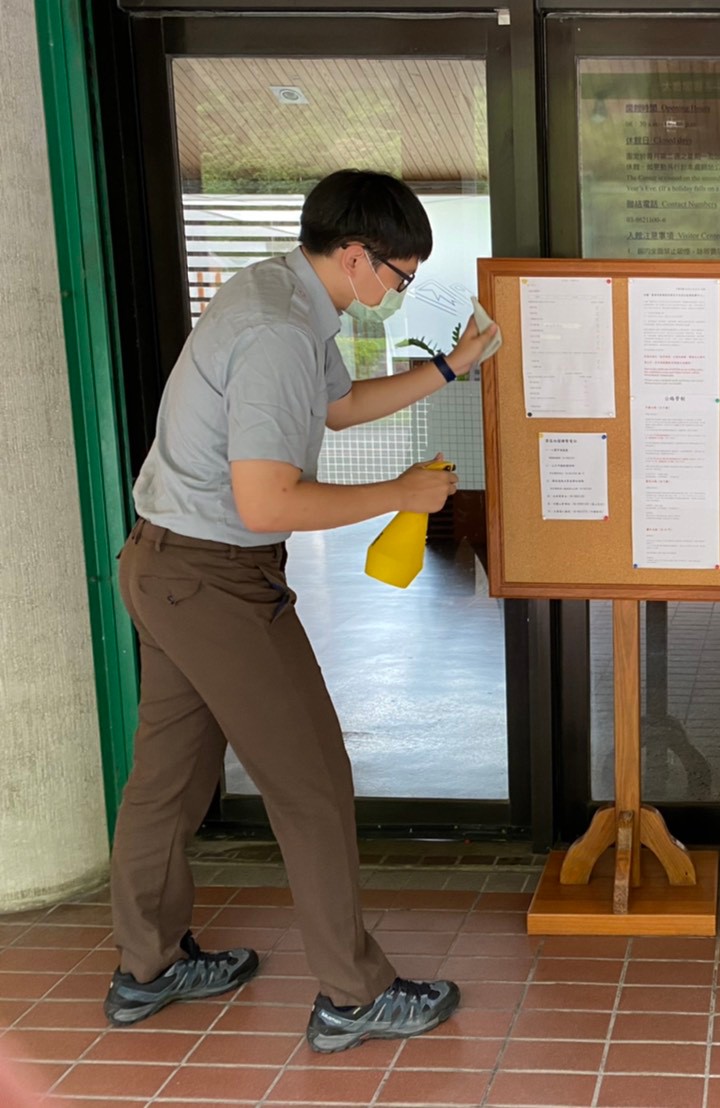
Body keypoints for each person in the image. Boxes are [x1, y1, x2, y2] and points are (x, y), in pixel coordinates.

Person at [104, 170, 499, 1053]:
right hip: (215, 580)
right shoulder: (280, 329)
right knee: (314, 783)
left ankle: (148, 967)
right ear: (355, 255)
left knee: (167, 782)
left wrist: (447, 368)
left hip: (166, 566)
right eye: (397, 276)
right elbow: (268, 503)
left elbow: (339, 407)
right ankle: (354, 998)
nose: (396, 293)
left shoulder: (279, 285)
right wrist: (400, 492)